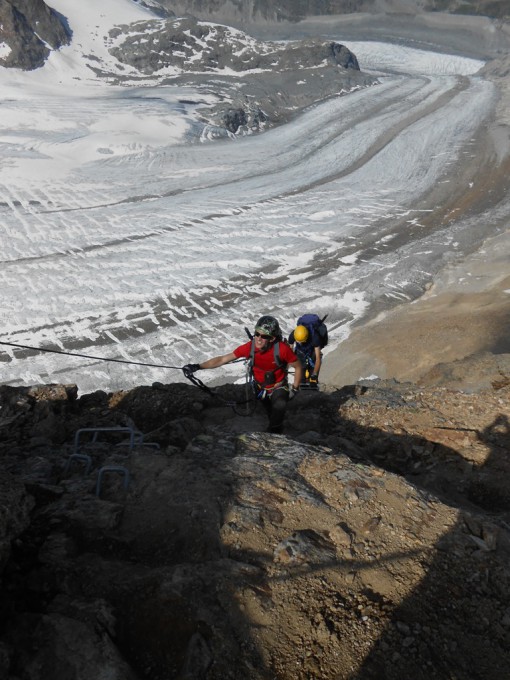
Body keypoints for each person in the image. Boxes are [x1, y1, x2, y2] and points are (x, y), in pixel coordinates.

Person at [183, 315, 303, 434]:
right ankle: (275, 424)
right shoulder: (250, 348)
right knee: (270, 410)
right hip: (260, 387)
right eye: (257, 334)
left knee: (279, 405)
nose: (259, 338)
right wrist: (197, 366)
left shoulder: (282, 349)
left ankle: (274, 433)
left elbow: (298, 367)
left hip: (278, 386)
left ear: (272, 339)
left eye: (264, 336)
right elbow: (223, 359)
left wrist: (295, 389)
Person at [288, 313, 328, 386]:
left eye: (301, 341)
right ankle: (301, 383)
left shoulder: (315, 338)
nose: (300, 343)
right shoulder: (293, 335)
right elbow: (289, 353)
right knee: (301, 377)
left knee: (312, 379)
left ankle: (312, 385)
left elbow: (318, 359)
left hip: (312, 351)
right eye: (298, 341)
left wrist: (314, 374)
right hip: (301, 352)